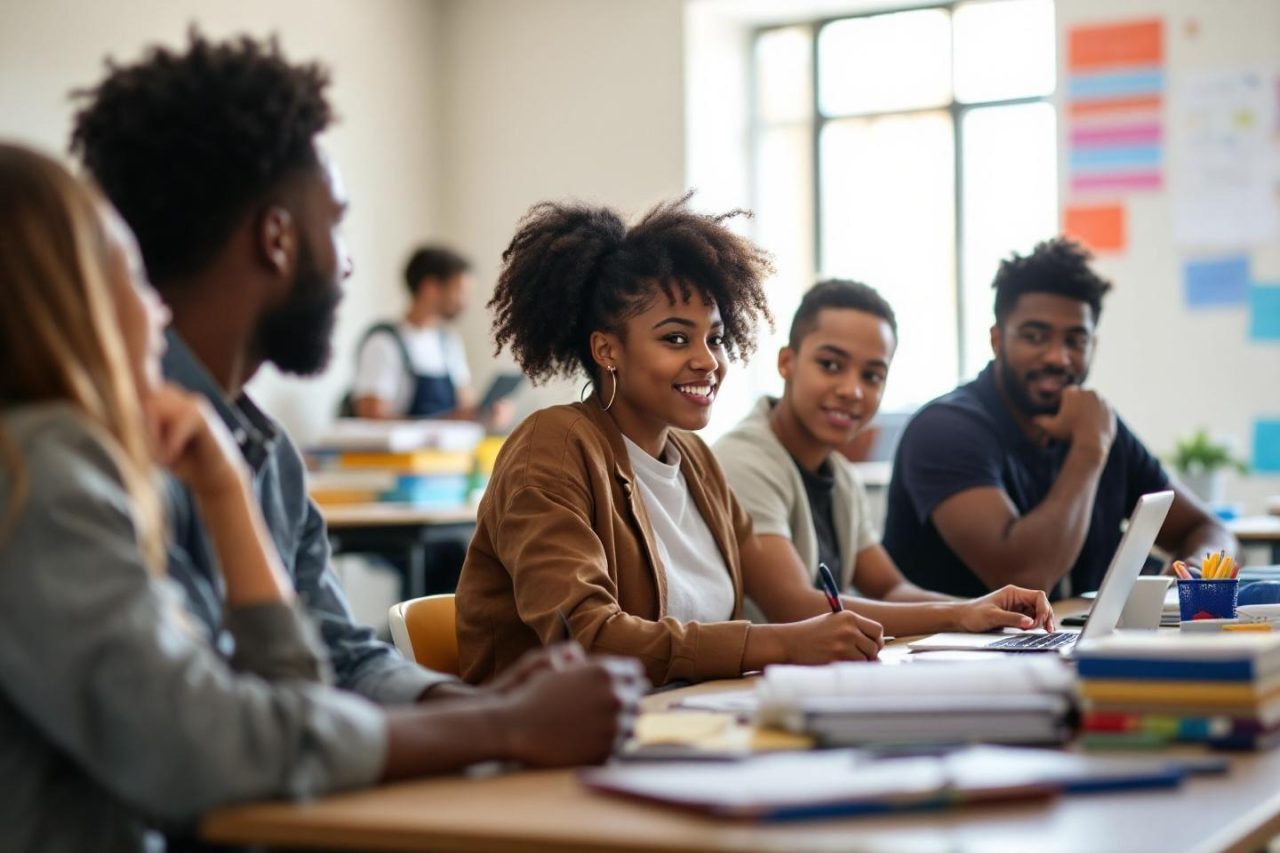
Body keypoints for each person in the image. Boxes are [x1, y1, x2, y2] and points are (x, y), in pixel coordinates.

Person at [0, 142, 643, 852]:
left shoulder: (256, 450)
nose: (157, 308)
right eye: (127, 276)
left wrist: (501, 708)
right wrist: (502, 724)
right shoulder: (52, 460)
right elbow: (205, 743)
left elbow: (319, 673)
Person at [68, 33, 579, 704]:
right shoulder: (103, 454)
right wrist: (500, 726)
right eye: (335, 225)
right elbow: (217, 724)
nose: (346, 264)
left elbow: (342, 654)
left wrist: (484, 708)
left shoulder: (271, 457)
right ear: (276, 239)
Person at [455, 196, 891, 687]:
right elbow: (589, 639)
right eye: (677, 339)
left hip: (691, 725)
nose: (708, 361)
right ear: (607, 350)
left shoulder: (696, 462)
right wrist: (783, 643)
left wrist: (954, 616)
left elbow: (784, 597)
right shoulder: (553, 448)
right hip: (554, 742)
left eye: (716, 339)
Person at [882, 237, 1236, 599]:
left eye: (1075, 341)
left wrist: (1194, 568)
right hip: (950, 652)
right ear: (997, 340)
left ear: (1092, 346)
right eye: (1035, 336)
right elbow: (1026, 579)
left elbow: (1208, 529)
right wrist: (1088, 449)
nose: (1058, 358)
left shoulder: (1095, 422)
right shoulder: (946, 429)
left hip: (1068, 647)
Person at [714, 280, 1053, 635]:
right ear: (787, 362)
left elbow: (891, 588)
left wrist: (981, 607)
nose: (852, 391)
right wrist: (957, 616)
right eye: (830, 365)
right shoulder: (744, 462)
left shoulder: (839, 475)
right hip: (751, 683)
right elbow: (794, 605)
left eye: (872, 375)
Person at [350, 245, 512, 425]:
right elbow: (372, 418)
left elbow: (465, 404)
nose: (465, 302)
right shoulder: (384, 342)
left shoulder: (448, 342)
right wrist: (446, 421)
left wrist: (486, 415)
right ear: (430, 287)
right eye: (459, 291)